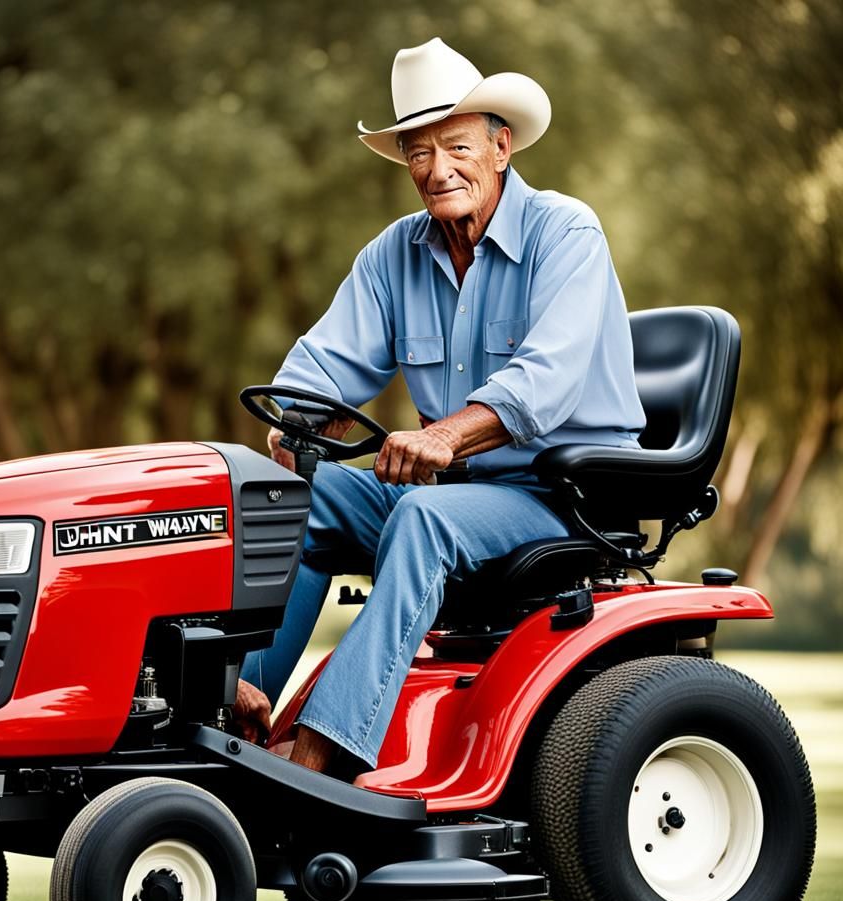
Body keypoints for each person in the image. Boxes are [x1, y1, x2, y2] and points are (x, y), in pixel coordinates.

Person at [233, 38, 646, 778]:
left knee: (420, 517)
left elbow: (544, 382)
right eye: (419, 153)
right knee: (299, 494)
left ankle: (318, 755)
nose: (437, 169)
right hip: (456, 494)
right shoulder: (395, 254)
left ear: (500, 147)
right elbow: (324, 360)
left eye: (456, 146)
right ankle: (240, 709)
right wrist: (294, 417)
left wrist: (447, 437)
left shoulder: (567, 233)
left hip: (561, 497)